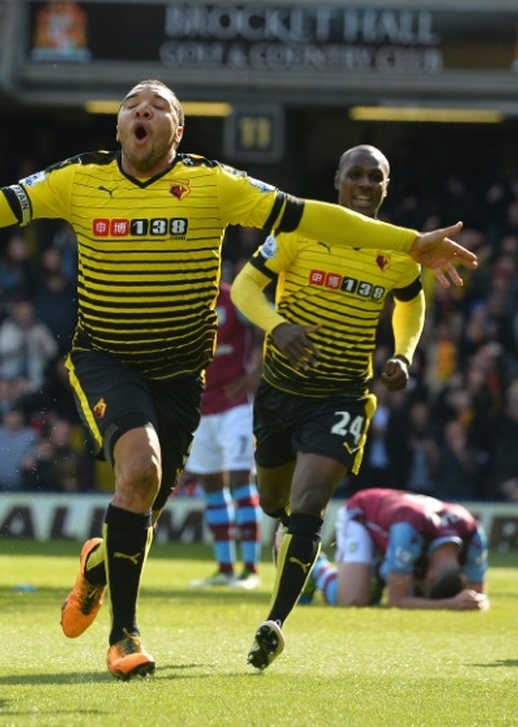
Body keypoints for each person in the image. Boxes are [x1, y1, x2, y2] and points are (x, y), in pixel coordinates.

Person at [0, 80, 477, 680]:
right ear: (118, 127)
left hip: (181, 374)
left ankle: (98, 564)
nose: (142, 111)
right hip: (105, 356)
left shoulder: (215, 184)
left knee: (143, 507)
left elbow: (309, 214)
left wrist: (410, 244)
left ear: (177, 132)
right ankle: (124, 635)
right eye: (132, 104)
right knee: (140, 474)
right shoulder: (78, 181)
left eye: (158, 106)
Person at [229, 144, 465, 670]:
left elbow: (411, 301)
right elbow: (244, 286)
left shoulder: (399, 250)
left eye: (374, 177)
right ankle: (286, 542)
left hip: (343, 394)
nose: (363, 184)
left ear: (387, 186)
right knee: (275, 502)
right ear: (336, 180)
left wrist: (403, 355)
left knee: (309, 501)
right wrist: (278, 327)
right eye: (354, 174)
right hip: (280, 389)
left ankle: (276, 622)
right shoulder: (300, 229)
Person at [183, 279, 263, 590]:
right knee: (211, 484)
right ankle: (225, 569)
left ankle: (250, 570)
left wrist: (256, 373)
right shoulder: (187, 302)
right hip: (202, 406)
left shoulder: (236, 297)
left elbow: (272, 324)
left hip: (235, 406)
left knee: (241, 480)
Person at [303, 487, 489, 612]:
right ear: (430, 577)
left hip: (400, 526)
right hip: (361, 513)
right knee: (353, 600)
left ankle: (376, 572)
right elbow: (396, 600)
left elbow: (477, 596)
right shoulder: (410, 531)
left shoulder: (474, 535)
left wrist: (475, 602)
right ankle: (314, 564)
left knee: (406, 589)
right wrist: (449, 604)